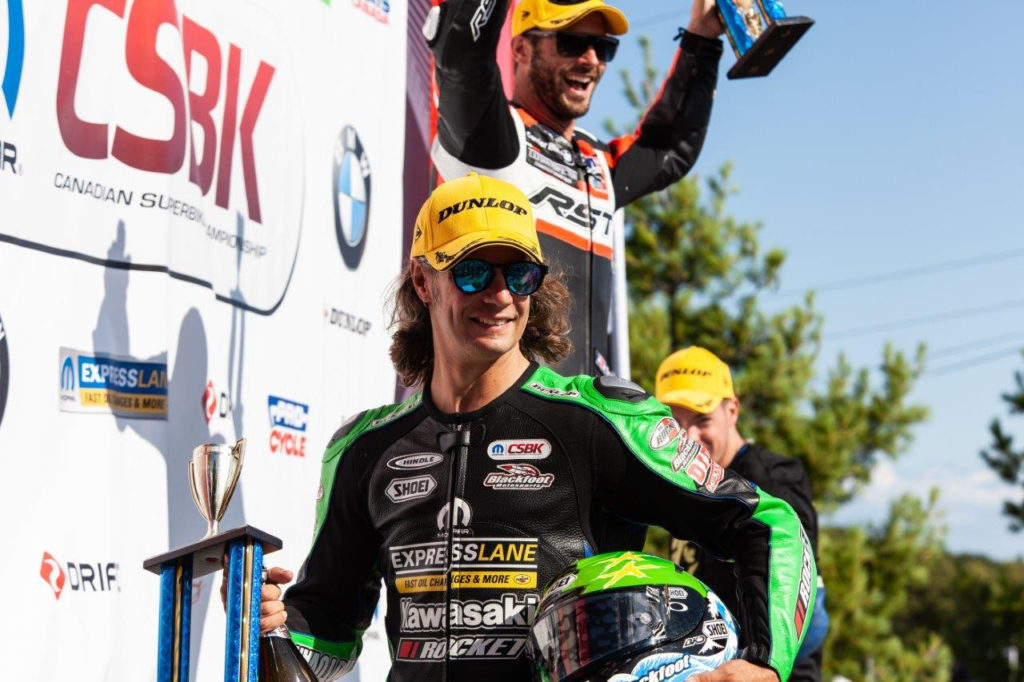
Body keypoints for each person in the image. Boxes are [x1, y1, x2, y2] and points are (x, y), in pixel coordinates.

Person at [255, 174, 815, 682]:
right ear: (423, 283)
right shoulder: (364, 448)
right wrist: (281, 620)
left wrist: (764, 665)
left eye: (519, 274)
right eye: (472, 271)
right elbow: (327, 630)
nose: (498, 294)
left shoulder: (598, 421)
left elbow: (770, 523)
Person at [425, 0, 724, 377]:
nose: (590, 60)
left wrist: (703, 39)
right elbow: (463, 56)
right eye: (570, 43)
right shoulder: (490, 137)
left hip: (581, 408)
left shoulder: (595, 161)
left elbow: (671, 145)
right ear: (520, 49)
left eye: (603, 48)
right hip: (500, 408)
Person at [656, 346, 828, 682]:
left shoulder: (772, 481)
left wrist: (764, 665)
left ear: (732, 410)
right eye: (676, 423)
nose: (689, 437)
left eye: (702, 420)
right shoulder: (682, 481)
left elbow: (806, 602)